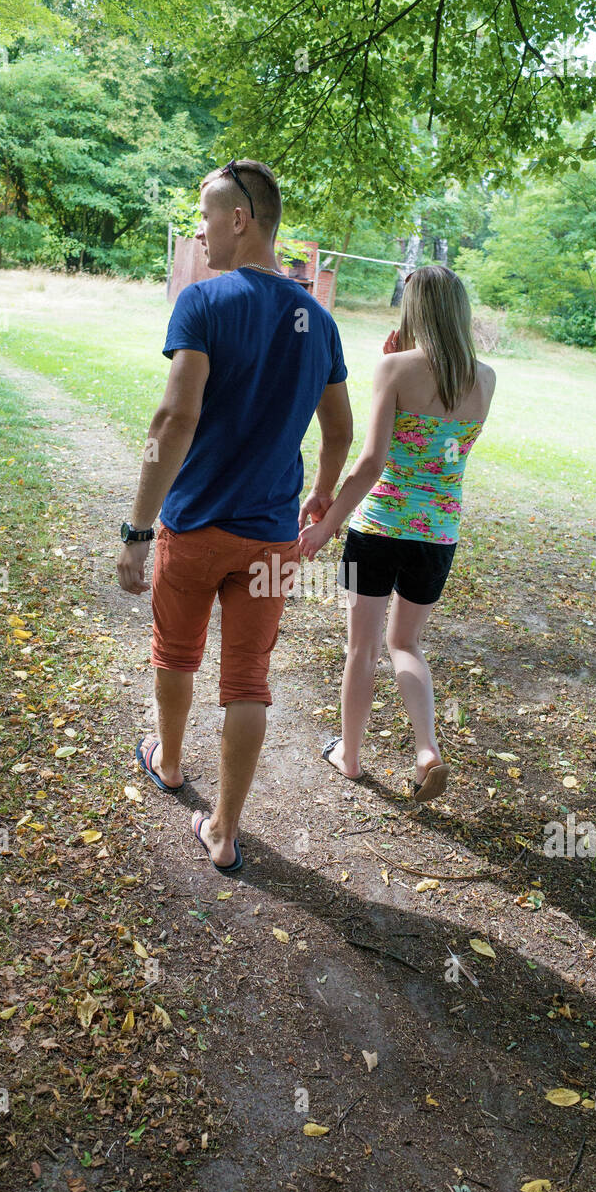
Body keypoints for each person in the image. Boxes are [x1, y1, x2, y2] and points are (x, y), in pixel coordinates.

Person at [116, 159, 352, 869]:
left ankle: (171, 764)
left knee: (174, 655)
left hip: (193, 526)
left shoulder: (203, 301)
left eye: (206, 217)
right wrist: (324, 497)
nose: (199, 230)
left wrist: (135, 529)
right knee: (247, 679)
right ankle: (223, 830)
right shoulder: (322, 321)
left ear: (239, 220)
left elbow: (175, 414)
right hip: (272, 537)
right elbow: (340, 430)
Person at [299, 264, 495, 803]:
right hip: (438, 534)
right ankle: (426, 749)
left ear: (413, 312)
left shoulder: (394, 368)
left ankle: (351, 757)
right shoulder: (486, 379)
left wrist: (326, 525)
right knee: (406, 643)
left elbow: (371, 463)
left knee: (361, 649)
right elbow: (443, 456)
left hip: (380, 528)